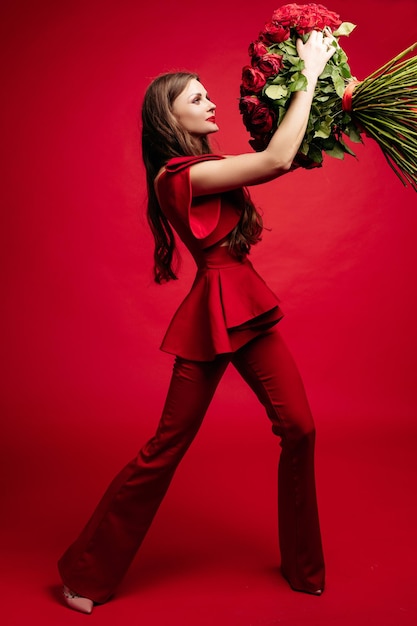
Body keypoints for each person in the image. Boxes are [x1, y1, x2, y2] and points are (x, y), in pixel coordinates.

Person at [58, 29, 336, 614]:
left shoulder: (209, 166)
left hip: (246, 304)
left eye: (209, 95)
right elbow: (276, 160)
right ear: (170, 117)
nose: (212, 104)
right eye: (197, 98)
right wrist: (309, 72)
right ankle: (84, 574)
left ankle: (303, 566)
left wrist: (327, 103)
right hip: (214, 310)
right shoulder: (178, 177)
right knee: (168, 444)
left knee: (301, 429)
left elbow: (284, 156)